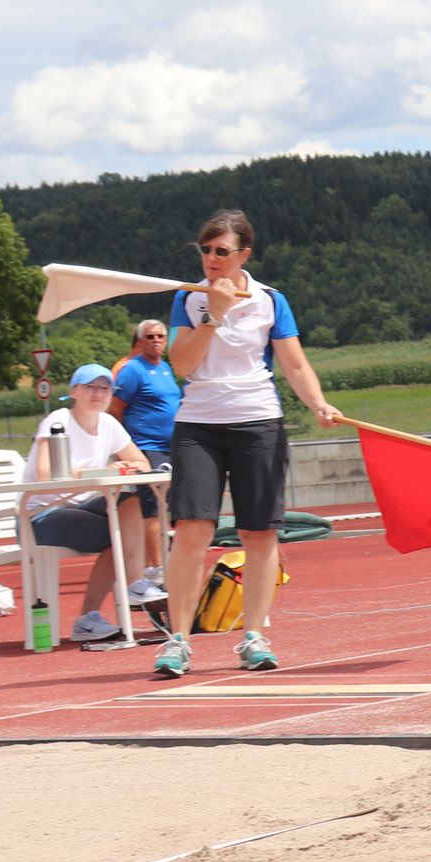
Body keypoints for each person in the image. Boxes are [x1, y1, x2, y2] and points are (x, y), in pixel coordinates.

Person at [153, 211, 342, 680]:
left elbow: (294, 365)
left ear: (244, 255)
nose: (211, 259)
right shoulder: (187, 299)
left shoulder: (271, 300)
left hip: (258, 422)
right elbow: (182, 364)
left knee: (259, 533)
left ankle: (254, 635)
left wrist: (318, 403)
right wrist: (212, 315)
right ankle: (178, 641)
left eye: (221, 251)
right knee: (193, 530)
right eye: (205, 250)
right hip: (199, 424)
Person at [26, 364, 154, 648]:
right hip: (41, 515)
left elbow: (142, 463)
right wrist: (101, 474)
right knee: (119, 535)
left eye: (105, 388)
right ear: (74, 391)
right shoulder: (58, 421)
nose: (98, 393)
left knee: (129, 501)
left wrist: (124, 466)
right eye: (90, 387)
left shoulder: (109, 424)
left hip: (83, 507)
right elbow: (47, 475)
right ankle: (112, 601)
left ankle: (129, 589)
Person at [110, 318, 183, 600]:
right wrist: (125, 448)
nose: (155, 341)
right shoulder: (131, 371)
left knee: (176, 502)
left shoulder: (165, 368)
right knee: (151, 504)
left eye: (160, 336)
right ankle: (154, 566)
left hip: (172, 446)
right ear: (140, 342)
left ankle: (174, 559)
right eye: (150, 336)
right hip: (146, 447)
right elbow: (116, 409)